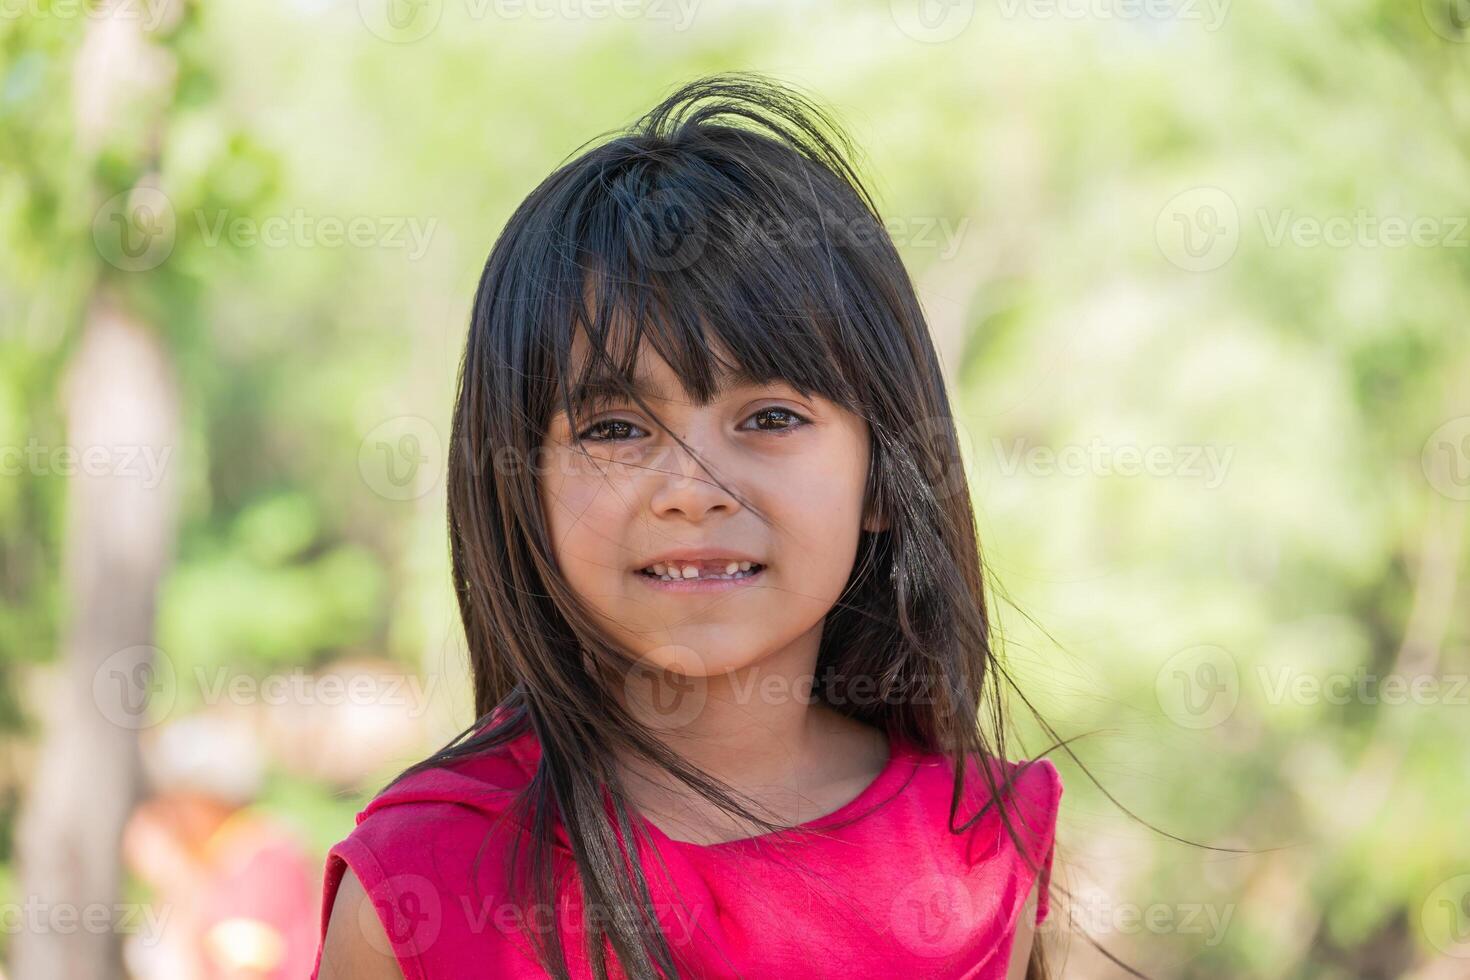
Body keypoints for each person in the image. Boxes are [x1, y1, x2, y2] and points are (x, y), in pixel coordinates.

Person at [311, 71, 1063, 980]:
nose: (693, 489)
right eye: (615, 429)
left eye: (772, 417)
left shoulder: (978, 848)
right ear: (524, 489)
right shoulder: (421, 882)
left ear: (881, 475)